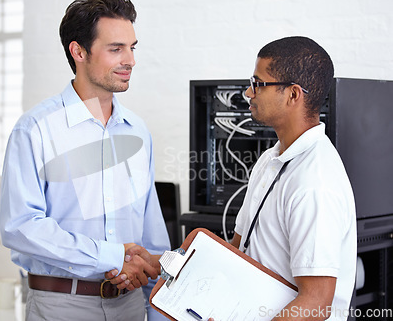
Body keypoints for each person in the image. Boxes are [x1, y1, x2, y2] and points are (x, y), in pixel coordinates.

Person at [110, 36, 357, 321]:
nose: (249, 93)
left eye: (258, 84)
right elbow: (237, 252)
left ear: (293, 94)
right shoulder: (270, 160)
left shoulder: (315, 181)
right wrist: (162, 262)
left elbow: (315, 302)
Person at [0, 0, 170, 321]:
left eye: (132, 48)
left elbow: (151, 237)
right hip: (62, 306)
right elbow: (20, 227)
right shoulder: (35, 129)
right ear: (78, 51)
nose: (130, 60)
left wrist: (158, 309)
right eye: (115, 49)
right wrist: (111, 257)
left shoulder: (137, 132)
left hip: (131, 305)